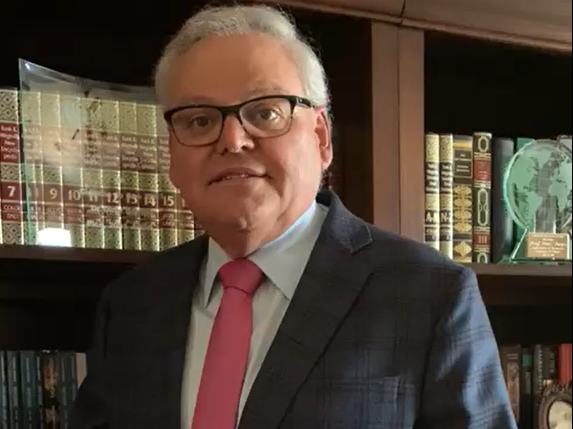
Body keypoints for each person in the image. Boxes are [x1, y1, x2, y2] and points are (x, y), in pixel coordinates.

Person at [70, 4, 517, 429]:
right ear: (172, 152)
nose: (233, 140)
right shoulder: (132, 304)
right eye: (199, 121)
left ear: (321, 138)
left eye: (264, 112)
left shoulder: (429, 294)